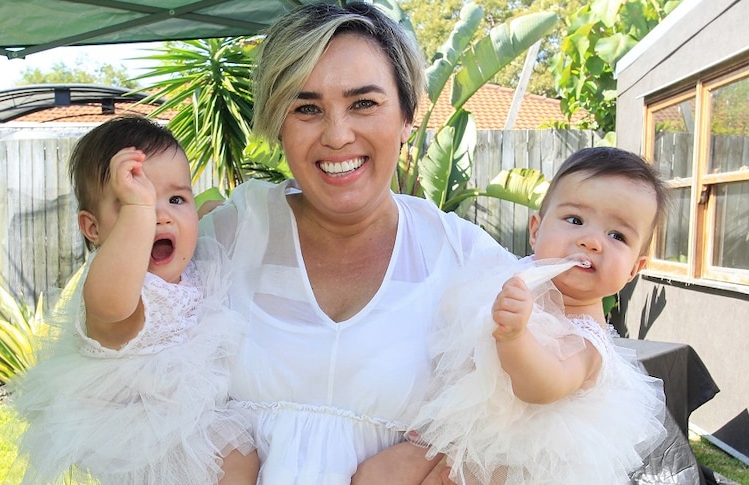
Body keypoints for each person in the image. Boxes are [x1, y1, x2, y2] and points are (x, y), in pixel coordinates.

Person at [195, 3, 517, 484]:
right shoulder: (231, 236)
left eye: (363, 103)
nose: (337, 135)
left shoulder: (466, 260)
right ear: (278, 124)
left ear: (407, 116)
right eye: (307, 108)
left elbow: (535, 427)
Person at [7, 115, 257, 485]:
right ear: (93, 229)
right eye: (132, 204)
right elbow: (110, 303)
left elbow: (201, 215)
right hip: (147, 447)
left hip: (197, 423)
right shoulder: (118, 293)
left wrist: (204, 211)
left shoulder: (192, 268)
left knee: (239, 460)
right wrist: (144, 213)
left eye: (175, 198)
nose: (160, 217)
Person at [409, 147, 670, 484]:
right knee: (377, 473)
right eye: (575, 220)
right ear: (536, 230)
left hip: (522, 461)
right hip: (463, 430)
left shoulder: (588, 340)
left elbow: (546, 384)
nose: (591, 241)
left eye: (617, 235)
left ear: (635, 268)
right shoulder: (514, 273)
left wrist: (515, 337)